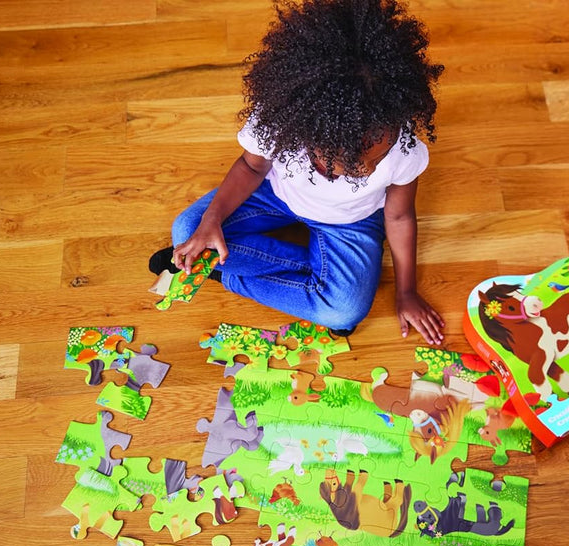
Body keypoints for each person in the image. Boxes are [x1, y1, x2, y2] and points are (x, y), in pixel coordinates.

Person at [150, 0, 445, 344]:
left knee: (343, 313)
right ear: (308, 136)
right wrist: (211, 220)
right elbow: (251, 166)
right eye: (349, 164)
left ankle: (223, 273)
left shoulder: (401, 148)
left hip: (353, 220)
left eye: (376, 160)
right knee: (187, 229)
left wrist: (406, 291)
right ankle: (313, 279)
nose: (367, 170)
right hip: (275, 195)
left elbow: (399, 217)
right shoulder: (280, 120)